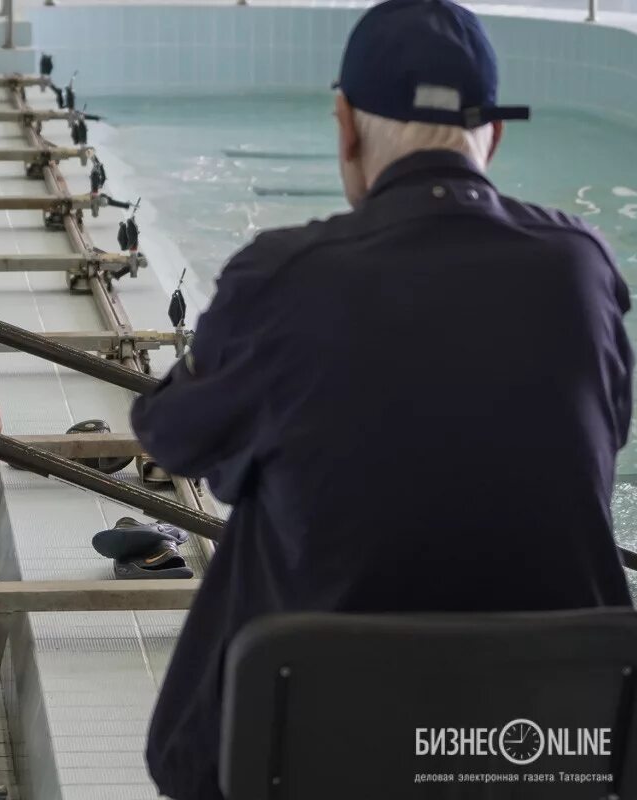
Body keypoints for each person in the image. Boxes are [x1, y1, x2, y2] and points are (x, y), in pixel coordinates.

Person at [131, 1, 635, 797]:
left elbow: (172, 437)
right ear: (493, 136)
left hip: (316, 734)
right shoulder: (584, 268)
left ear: (345, 128)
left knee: (265, 498)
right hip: (555, 738)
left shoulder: (284, 275)